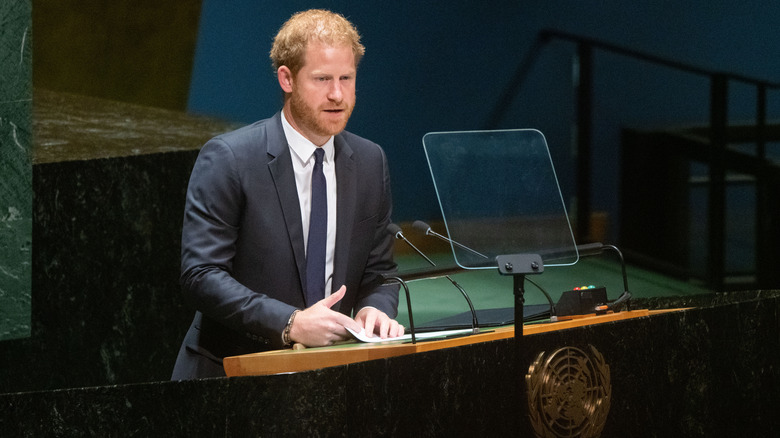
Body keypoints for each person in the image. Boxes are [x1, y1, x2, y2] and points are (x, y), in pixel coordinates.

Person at [172, 9, 403, 380]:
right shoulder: (230, 159)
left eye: (347, 78)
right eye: (322, 79)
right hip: (233, 373)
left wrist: (375, 308)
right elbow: (202, 275)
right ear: (287, 79)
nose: (337, 94)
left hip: (329, 376)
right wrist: (290, 323)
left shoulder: (369, 162)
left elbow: (380, 273)